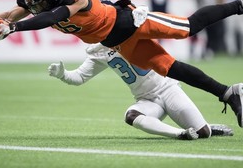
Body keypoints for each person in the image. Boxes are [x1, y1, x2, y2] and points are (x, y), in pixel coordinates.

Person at [0, 0, 243, 128]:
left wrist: (15, 28)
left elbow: (52, 17)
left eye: (40, 2)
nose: (36, 7)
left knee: (186, 28)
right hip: (116, 42)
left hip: (130, 22)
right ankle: (229, 93)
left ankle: (238, 4)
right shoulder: (37, 0)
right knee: (167, 67)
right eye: (34, 3)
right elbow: (19, 11)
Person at [48, 43, 233, 140]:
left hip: (168, 88)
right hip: (146, 99)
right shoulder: (98, 50)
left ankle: (209, 126)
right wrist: (62, 74)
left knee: (203, 133)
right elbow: (79, 77)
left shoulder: (129, 31)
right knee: (131, 115)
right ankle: (179, 134)